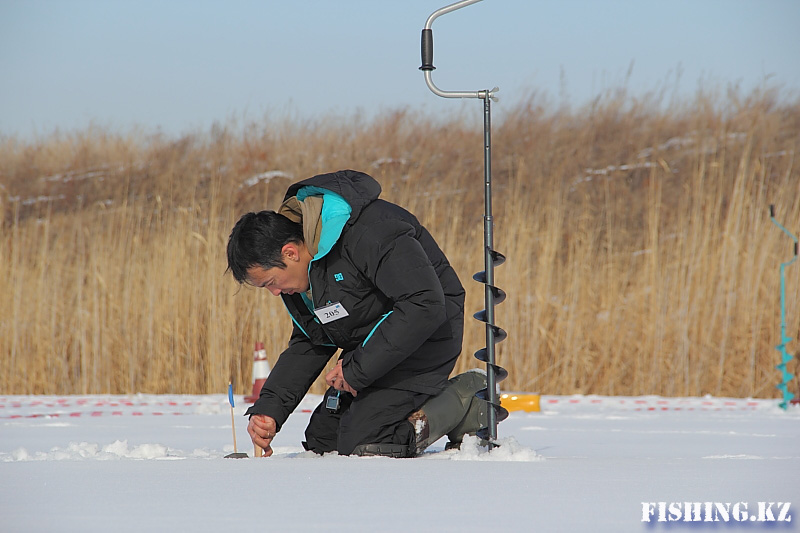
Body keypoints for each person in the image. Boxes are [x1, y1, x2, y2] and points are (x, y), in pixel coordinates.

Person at [226, 169, 488, 457]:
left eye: (271, 283)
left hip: (428, 333)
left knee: (367, 444)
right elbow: (312, 341)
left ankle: (466, 399)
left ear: (290, 253)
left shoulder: (370, 230)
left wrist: (357, 369)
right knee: (325, 441)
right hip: (376, 347)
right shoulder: (304, 278)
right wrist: (269, 410)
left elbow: (423, 303)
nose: (274, 293)